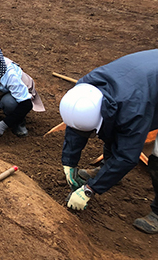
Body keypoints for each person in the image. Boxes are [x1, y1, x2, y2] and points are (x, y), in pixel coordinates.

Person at [58, 50, 158, 234]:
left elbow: (128, 156)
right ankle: (108, 171)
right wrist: (69, 163)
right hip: (144, 84)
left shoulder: (134, 111)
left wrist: (89, 190)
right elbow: (77, 125)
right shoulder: (85, 89)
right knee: (114, 128)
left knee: (157, 160)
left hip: (145, 94)